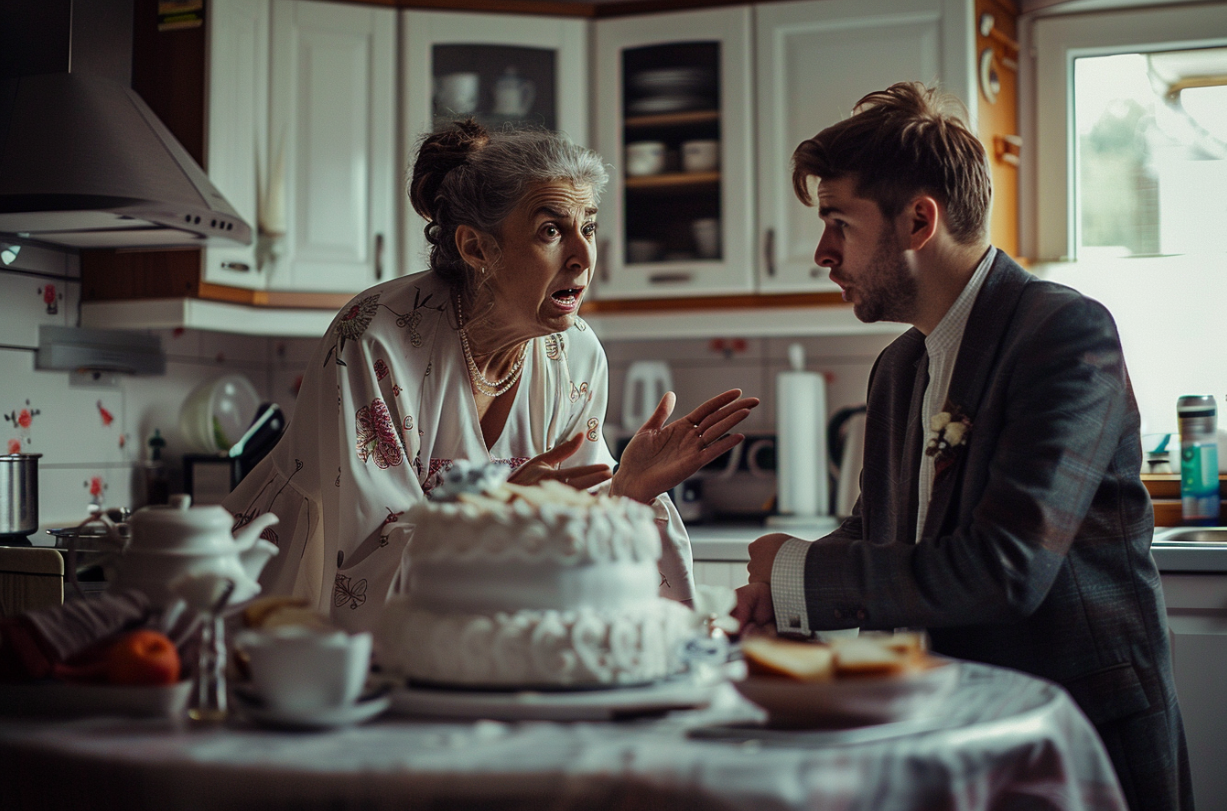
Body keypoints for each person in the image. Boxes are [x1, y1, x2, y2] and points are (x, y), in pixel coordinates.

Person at [732, 83, 1191, 810]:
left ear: (918, 220)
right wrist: (785, 594)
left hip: (1070, 737)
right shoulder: (897, 367)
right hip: (939, 732)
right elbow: (884, 530)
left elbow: (1006, 568)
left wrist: (799, 572)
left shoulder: (1064, 334)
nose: (821, 252)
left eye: (838, 224)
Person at [226, 121, 758, 632]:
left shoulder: (575, 355)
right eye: (552, 230)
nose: (583, 255)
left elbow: (574, 533)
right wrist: (487, 517)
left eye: (589, 226)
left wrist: (628, 490)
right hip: (299, 599)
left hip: (482, 625)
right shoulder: (375, 339)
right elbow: (366, 554)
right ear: (476, 247)